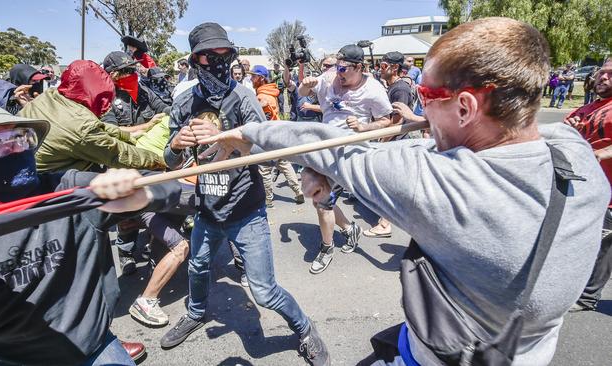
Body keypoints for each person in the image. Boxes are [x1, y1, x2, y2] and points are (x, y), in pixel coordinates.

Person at [195, 17, 609, 366]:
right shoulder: (576, 155)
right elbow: (520, 138)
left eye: (427, 97)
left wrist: (243, 134)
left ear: (465, 107)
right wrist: (439, 127)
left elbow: (327, 145)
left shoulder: (433, 184)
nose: (420, 110)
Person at [0, 92, 194, 365]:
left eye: (19, 136)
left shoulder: (64, 190)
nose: (13, 148)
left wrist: (140, 194)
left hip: (90, 348)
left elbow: (167, 186)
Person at [161, 22, 329, 366]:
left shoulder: (243, 96)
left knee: (264, 291)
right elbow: (168, 157)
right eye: (211, 56)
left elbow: (262, 149)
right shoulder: (183, 102)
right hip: (207, 208)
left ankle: (305, 329)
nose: (220, 62)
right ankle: (195, 313)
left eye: (226, 55)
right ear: (196, 59)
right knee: (197, 266)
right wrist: (176, 145)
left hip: (245, 209)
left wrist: (226, 138)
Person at [296, 44, 392, 274]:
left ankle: (327, 248)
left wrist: (363, 126)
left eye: (343, 68)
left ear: (359, 67)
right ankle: (349, 229)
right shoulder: (329, 77)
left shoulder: (374, 89)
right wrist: (304, 86)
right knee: (320, 200)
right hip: (324, 150)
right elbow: (301, 94)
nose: (338, 72)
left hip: (349, 153)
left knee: (322, 202)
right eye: (337, 67)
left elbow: (387, 120)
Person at [18, 60, 165, 174]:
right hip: (45, 188)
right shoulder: (80, 127)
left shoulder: (50, 97)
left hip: (20, 169)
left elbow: (99, 127)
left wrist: (128, 135)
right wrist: (162, 160)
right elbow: (119, 154)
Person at [564, 57, 612, 312]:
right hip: (581, 188)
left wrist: (604, 153)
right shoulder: (590, 107)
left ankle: (588, 297)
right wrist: (570, 129)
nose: (603, 78)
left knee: (603, 246)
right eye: (602, 73)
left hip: (609, 193)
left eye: (611, 74)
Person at [364, 51, 417, 239]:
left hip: (396, 143)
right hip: (394, 142)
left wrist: (381, 141)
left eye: (384, 66)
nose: (380, 69)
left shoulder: (400, 88)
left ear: (395, 68)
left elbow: (397, 120)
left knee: (389, 184)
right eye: (379, 65)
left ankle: (385, 224)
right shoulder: (392, 86)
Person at [247, 64, 305, 207]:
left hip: (267, 137)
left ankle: (268, 198)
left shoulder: (261, 95)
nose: (251, 78)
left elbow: (264, 110)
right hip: (277, 134)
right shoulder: (270, 91)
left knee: (265, 169)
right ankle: (298, 192)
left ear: (260, 78)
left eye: (253, 76)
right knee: (284, 164)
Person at [101, 51, 171, 128]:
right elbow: (112, 131)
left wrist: (177, 111)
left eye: (134, 70)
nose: (133, 74)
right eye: (128, 71)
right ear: (113, 75)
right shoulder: (106, 101)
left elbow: (162, 107)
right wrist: (148, 125)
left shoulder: (145, 91)